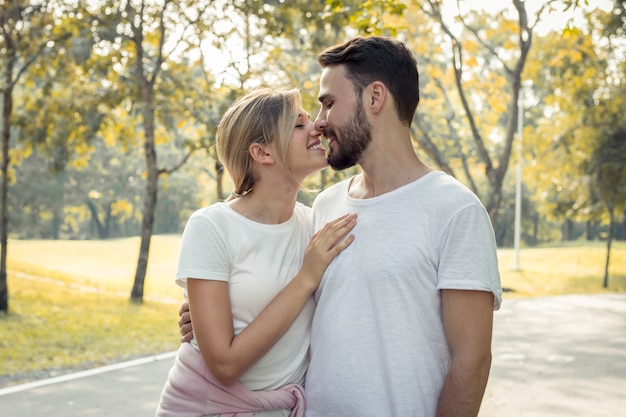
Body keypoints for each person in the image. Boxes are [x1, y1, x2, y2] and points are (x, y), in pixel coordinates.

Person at [179, 36, 502, 417]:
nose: (319, 122)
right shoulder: (324, 207)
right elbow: (291, 292)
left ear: (375, 98)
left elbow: (472, 361)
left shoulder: (455, 209)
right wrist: (209, 313)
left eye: (329, 103)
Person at [156, 87, 357, 417]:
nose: (317, 127)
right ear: (263, 152)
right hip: (205, 408)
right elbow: (224, 365)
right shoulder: (212, 226)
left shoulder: (316, 225)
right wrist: (306, 277)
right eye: (299, 124)